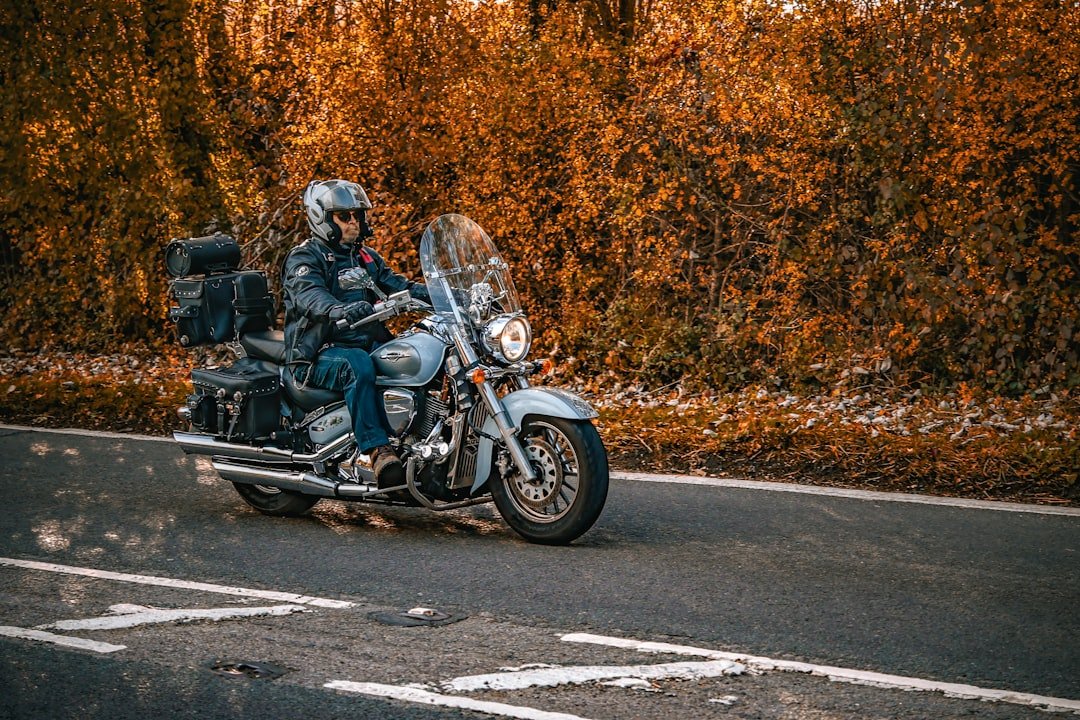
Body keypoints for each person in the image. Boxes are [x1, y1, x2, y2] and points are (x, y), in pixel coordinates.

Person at [283, 179, 429, 487]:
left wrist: (446, 295)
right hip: (317, 354)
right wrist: (337, 309)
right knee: (357, 364)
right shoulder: (304, 258)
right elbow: (309, 294)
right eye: (344, 216)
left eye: (357, 216)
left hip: (364, 342)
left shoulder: (366, 258)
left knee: (420, 353)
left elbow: (400, 285)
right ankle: (378, 451)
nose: (354, 223)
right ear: (322, 217)